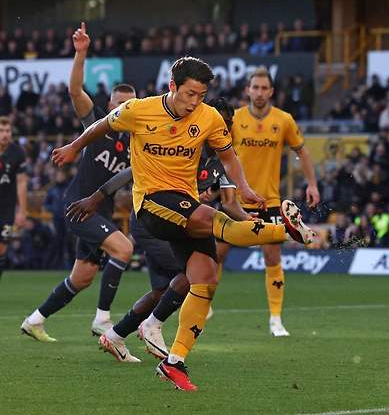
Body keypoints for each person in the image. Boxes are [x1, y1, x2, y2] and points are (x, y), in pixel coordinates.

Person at [51, 56, 316, 391]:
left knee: (204, 279)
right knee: (208, 218)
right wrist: (75, 147)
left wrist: (246, 187)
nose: (196, 102)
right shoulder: (139, 110)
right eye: (190, 94)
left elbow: (229, 157)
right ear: (173, 86)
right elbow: (102, 124)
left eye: (202, 95)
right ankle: (286, 231)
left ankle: (174, 362)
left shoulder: (209, 118)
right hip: (151, 203)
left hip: (185, 203)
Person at [66, 98, 265, 362]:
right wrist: (96, 197)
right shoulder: (184, 142)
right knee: (192, 275)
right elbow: (130, 172)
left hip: (186, 225)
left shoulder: (220, 163)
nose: (225, 129)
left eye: (229, 125)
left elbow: (230, 203)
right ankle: (152, 325)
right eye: (223, 123)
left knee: (163, 290)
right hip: (153, 220)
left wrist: (249, 220)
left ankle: (115, 335)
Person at [21, 23, 135, 342]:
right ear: (111, 106)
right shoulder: (97, 125)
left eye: (131, 106)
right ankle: (102, 319)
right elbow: (75, 92)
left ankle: (34, 320)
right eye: (120, 105)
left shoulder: (139, 141)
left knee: (82, 277)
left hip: (102, 213)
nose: (125, 110)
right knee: (124, 249)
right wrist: (81, 53)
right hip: (79, 207)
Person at [221, 67, 320, 337]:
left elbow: (302, 151)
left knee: (272, 257)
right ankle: (203, 306)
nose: (260, 92)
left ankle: (276, 319)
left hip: (269, 201)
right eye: (256, 87)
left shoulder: (284, 120)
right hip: (234, 200)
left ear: (271, 91)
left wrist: (312, 183)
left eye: (265, 88)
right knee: (215, 255)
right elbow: (219, 153)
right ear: (247, 90)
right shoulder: (235, 119)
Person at [0, 116, 27, 278]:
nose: (5, 134)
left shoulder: (17, 153)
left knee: (2, 247)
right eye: (1, 131)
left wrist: (22, 211)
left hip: (7, 209)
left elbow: (22, 182)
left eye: (7, 131)